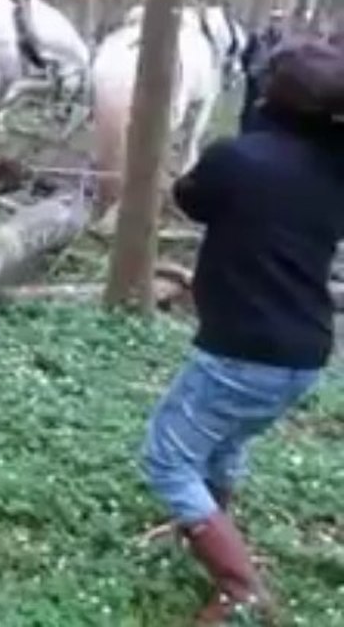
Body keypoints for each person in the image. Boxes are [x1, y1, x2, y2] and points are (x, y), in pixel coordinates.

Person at [142, 38, 344, 625]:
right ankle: (206, 527)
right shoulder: (334, 166)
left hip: (242, 348)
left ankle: (239, 585)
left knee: (167, 458)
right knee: (223, 441)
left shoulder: (239, 159)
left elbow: (189, 199)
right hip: (304, 350)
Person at [239, 9, 287, 132]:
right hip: (255, 78)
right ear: (270, 20)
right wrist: (248, 70)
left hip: (272, 81)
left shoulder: (284, 41)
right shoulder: (257, 35)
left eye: (279, 20)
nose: (276, 23)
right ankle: (244, 133)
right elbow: (246, 54)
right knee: (249, 108)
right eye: (274, 19)